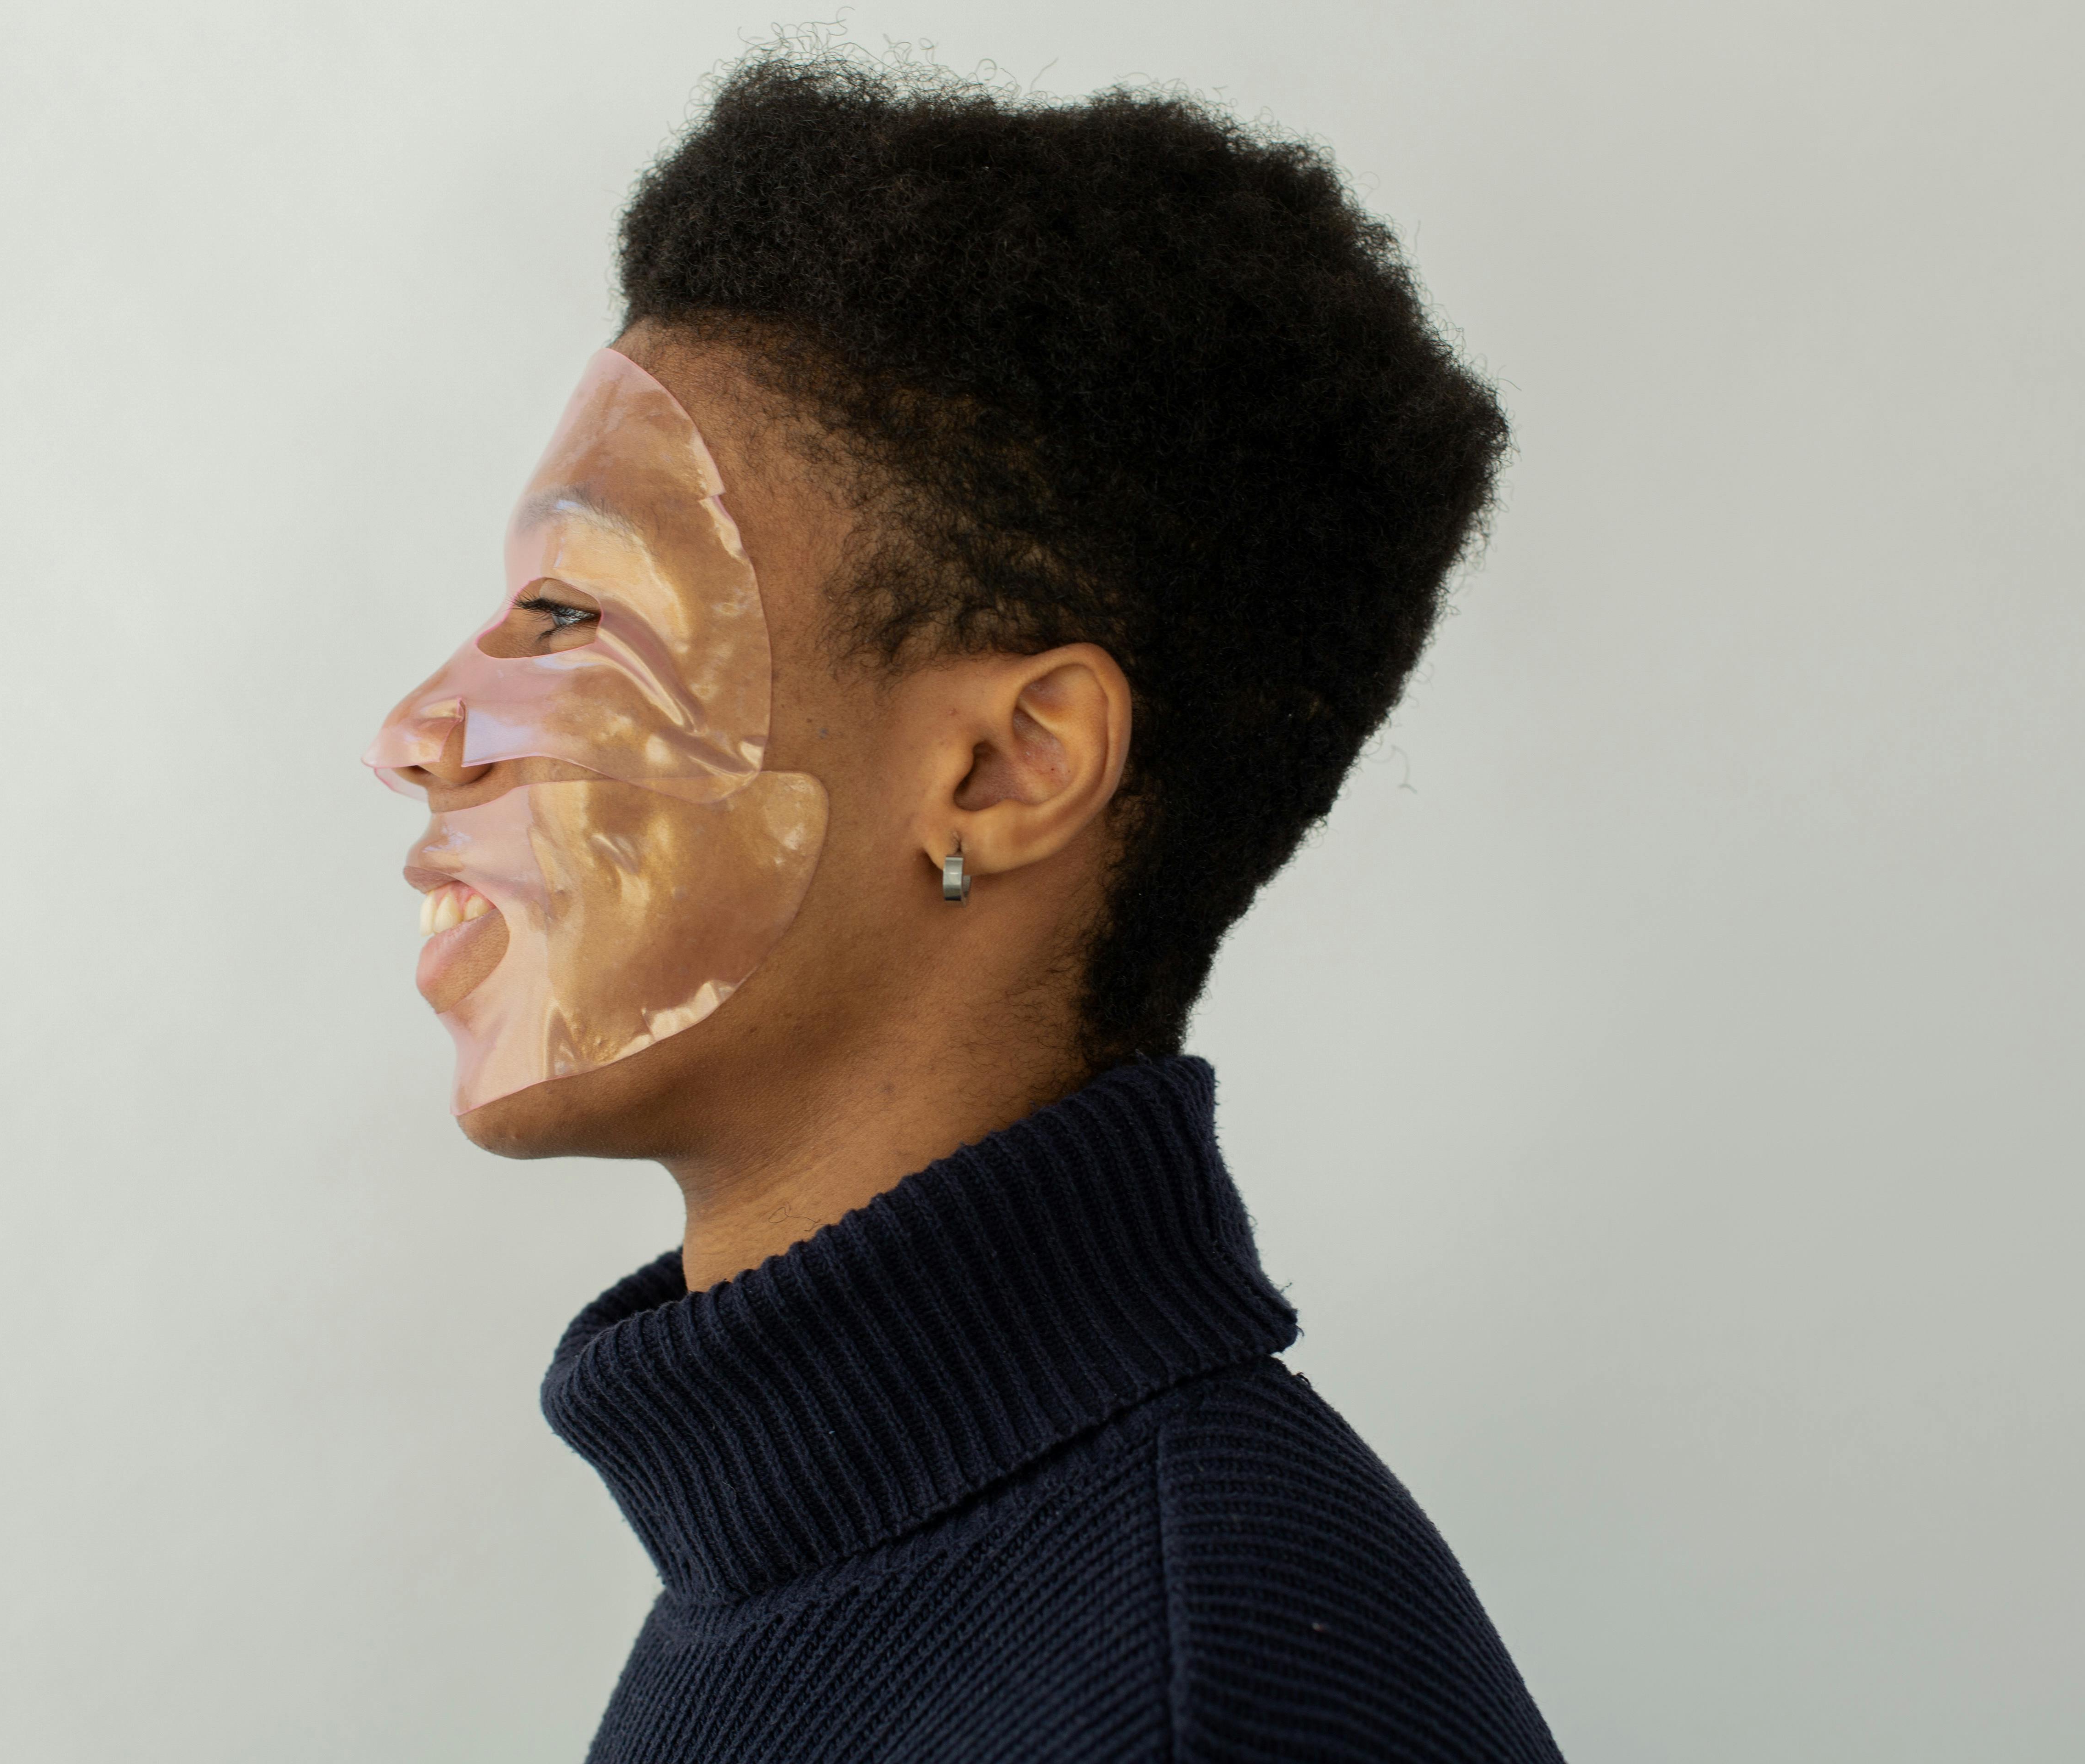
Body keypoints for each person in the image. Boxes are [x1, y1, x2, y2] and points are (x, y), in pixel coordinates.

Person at [375, 46, 1562, 1763]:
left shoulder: (1188, 1693)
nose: (420, 732)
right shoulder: (829, 1556)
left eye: (571, 620)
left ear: (1008, 770)